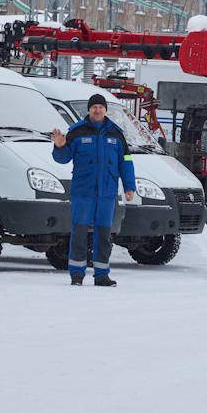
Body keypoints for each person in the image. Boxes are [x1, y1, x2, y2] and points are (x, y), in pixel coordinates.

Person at [52, 93, 135, 287]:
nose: (97, 110)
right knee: (79, 233)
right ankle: (77, 274)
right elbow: (63, 158)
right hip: (83, 193)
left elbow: (126, 162)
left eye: (101, 107)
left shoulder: (116, 134)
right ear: (89, 110)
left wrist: (130, 186)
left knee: (104, 235)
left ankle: (101, 275)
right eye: (94, 107)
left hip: (107, 194)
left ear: (105, 110)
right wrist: (59, 147)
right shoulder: (76, 132)